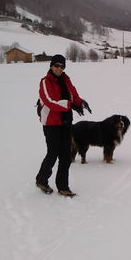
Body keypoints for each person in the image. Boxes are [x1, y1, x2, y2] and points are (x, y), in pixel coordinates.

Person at [35, 54, 91, 197]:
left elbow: (73, 95)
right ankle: (41, 180)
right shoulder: (45, 82)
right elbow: (49, 101)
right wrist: (69, 105)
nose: (59, 69)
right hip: (51, 123)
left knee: (66, 156)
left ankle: (63, 186)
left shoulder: (66, 80)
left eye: (62, 66)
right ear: (51, 66)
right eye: (56, 66)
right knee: (53, 153)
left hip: (66, 122)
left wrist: (80, 102)